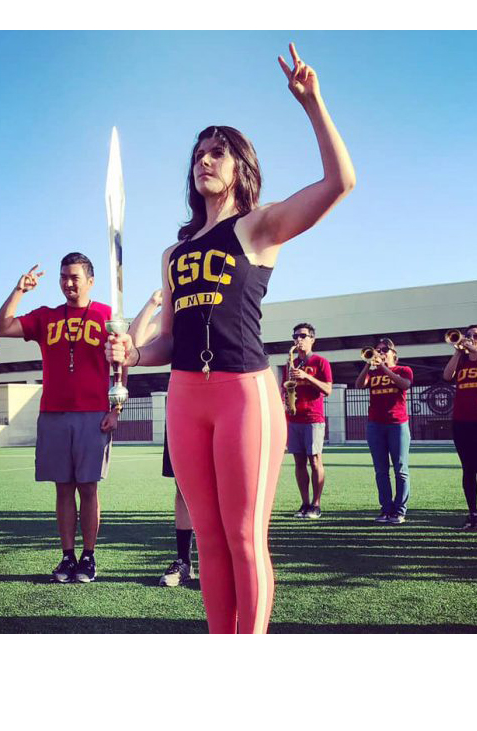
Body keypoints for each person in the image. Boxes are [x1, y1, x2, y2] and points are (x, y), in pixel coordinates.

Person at [106, 43, 356, 633]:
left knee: (246, 537)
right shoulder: (175, 252)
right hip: (186, 396)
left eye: (218, 152)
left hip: (244, 392)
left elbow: (340, 181)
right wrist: (134, 354)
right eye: (198, 153)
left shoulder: (260, 225)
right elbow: (170, 339)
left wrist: (313, 104)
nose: (205, 160)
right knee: (209, 539)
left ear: (239, 166)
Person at [0, 253, 119, 582]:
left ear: (90, 280)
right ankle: (67, 557)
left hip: (93, 414)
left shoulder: (107, 315)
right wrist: (19, 290)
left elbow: (121, 364)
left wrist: (116, 408)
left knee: (88, 488)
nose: (68, 282)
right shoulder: (46, 317)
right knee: (63, 488)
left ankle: (88, 557)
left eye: (75, 277)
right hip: (53, 413)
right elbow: (1, 327)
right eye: (64, 277)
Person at [128, 289, 196, 587]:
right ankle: (185, 561)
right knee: (184, 488)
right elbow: (135, 342)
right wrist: (154, 302)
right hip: (184, 398)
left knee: (226, 487)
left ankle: (219, 560)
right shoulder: (175, 305)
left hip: (226, 393)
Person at [356, 337, 413, 524]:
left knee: (400, 469)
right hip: (375, 425)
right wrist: (368, 364)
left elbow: (404, 384)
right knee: (381, 470)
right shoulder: (372, 372)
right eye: (378, 349)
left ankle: (400, 510)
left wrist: (384, 367)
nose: (380, 352)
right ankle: (386, 509)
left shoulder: (403, 370)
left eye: (384, 349)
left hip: (397, 424)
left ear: (393, 354)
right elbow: (358, 385)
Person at [442, 325, 477, 531]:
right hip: (461, 420)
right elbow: (447, 376)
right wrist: (457, 351)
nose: (470, 338)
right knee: (468, 469)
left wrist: (476, 352)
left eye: (476, 336)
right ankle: (472, 513)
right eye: (468, 335)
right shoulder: (460, 362)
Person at [285, 322, 332, 519]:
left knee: (315, 460)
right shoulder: (292, 363)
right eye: (296, 336)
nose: (299, 339)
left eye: (303, 336)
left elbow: (328, 389)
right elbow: (286, 387)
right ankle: (304, 503)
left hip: (313, 418)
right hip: (294, 417)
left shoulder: (321, 362)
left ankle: (316, 504)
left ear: (312, 339)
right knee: (298, 462)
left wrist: (306, 376)